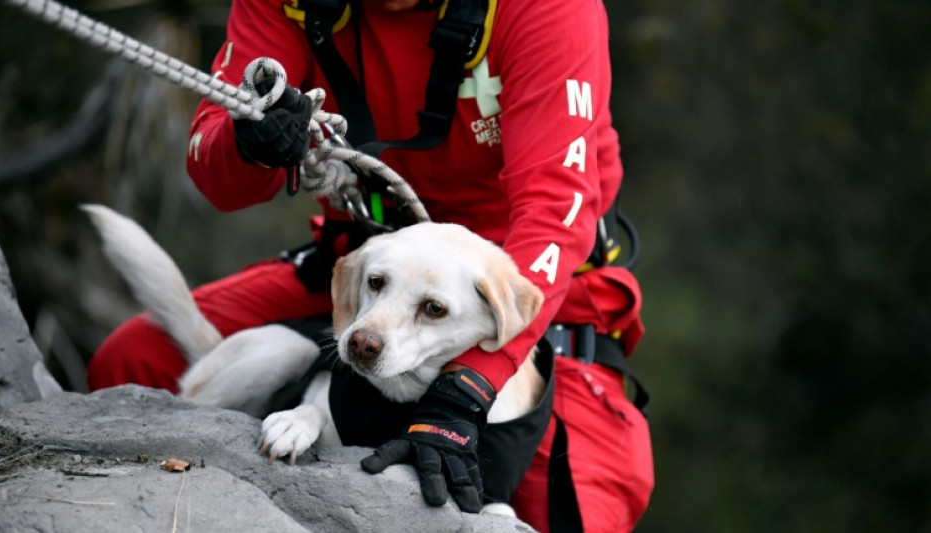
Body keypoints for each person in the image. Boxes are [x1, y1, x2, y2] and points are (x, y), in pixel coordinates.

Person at [87, 0, 654, 530]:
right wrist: (251, 140)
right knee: (134, 361)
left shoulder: (545, 10)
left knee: (578, 505)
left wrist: (469, 386)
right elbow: (215, 177)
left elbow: (556, 216)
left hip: (524, 293)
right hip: (363, 268)